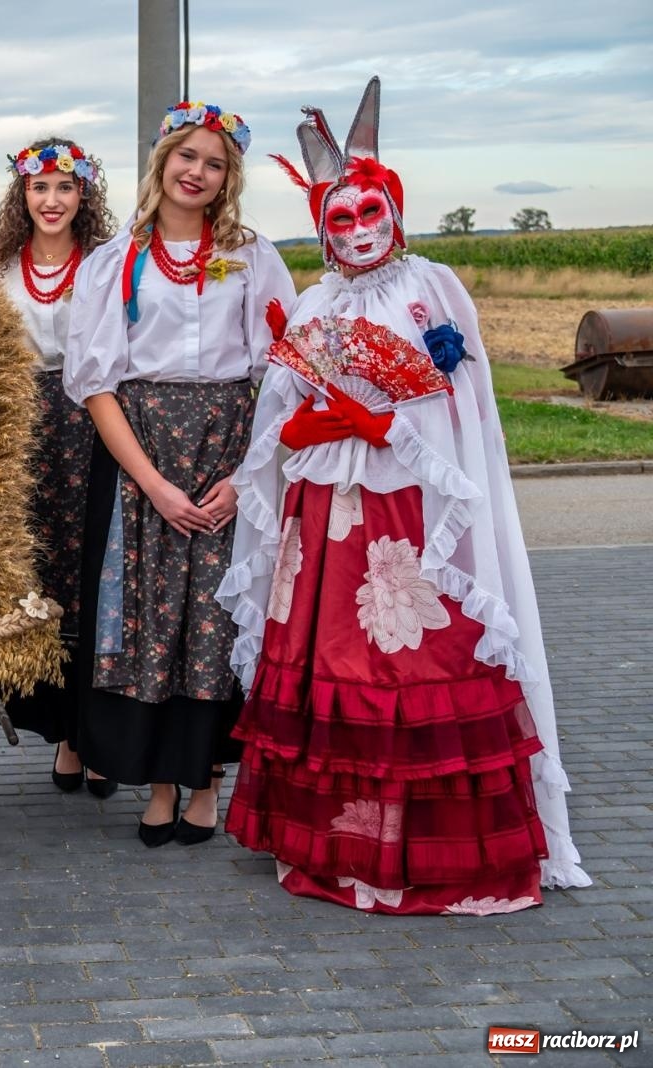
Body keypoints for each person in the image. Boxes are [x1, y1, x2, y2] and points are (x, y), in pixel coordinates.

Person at [216, 78, 591, 912]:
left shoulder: (434, 287)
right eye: (338, 219)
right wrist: (313, 426)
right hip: (326, 518)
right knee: (334, 660)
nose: (355, 230)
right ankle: (337, 840)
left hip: (409, 511)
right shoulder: (315, 302)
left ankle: (425, 850)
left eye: (367, 212)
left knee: (416, 658)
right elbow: (279, 421)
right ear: (322, 228)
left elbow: (460, 405)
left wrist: (385, 427)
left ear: (394, 210)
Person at [65, 103, 296, 846]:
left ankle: (207, 783)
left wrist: (248, 477)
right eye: (186, 157)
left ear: (229, 178)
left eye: (215, 163)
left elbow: (283, 376)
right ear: (162, 162)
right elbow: (96, 384)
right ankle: (160, 782)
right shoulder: (115, 260)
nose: (197, 172)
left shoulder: (254, 257)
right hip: (144, 453)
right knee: (153, 621)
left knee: (217, 618)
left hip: (230, 446)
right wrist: (153, 484)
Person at [0, 138, 116, 795]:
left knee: (96, 573)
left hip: (96, 425)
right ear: (21, 196)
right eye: (40, 188)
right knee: (41, 577)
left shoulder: (108, 264)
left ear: (83, 195)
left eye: (65, 188)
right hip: (24, 431)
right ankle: (62, 731)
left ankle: (95, 733)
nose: (52, 200)